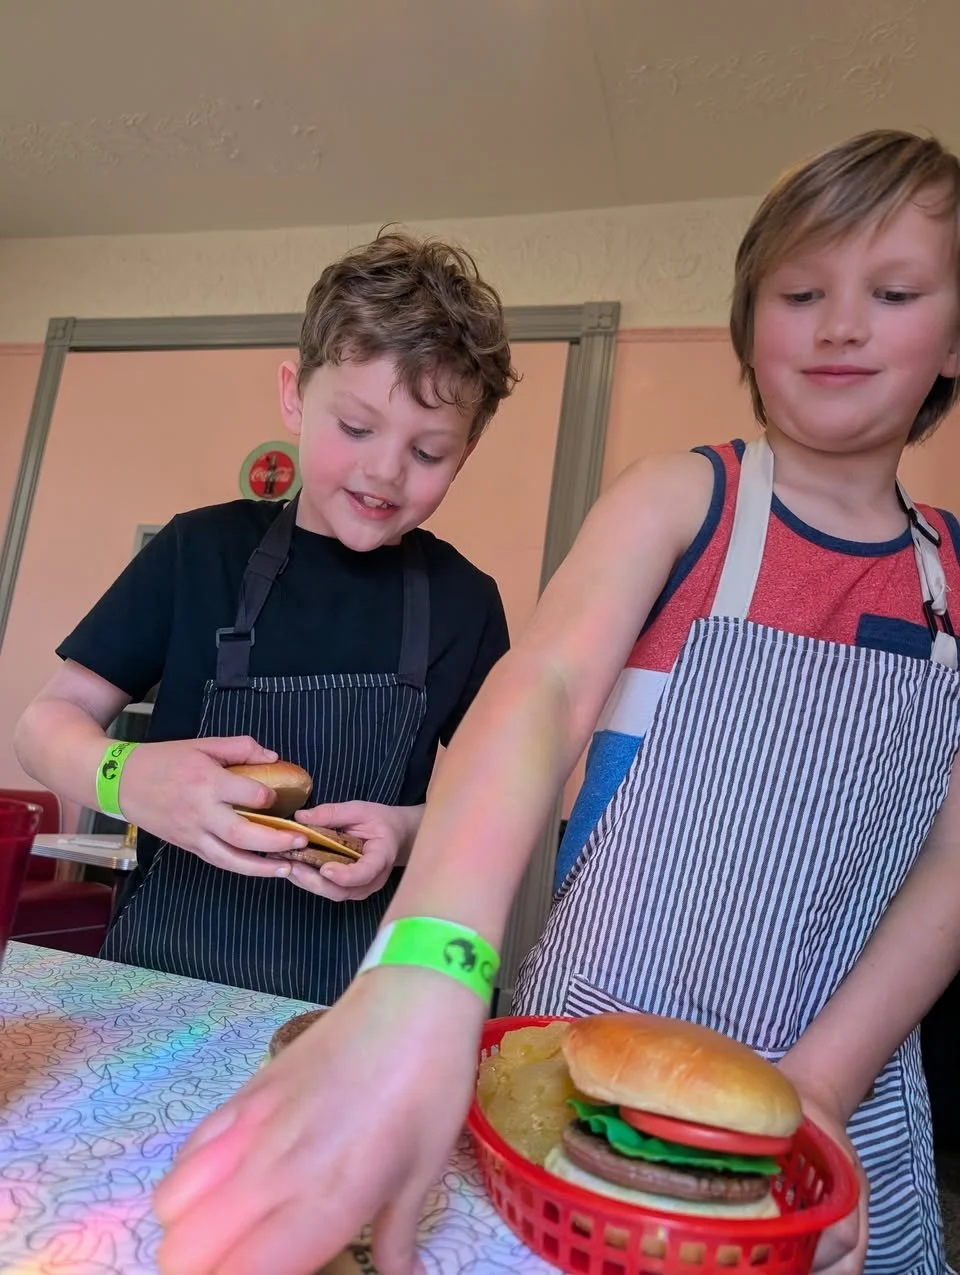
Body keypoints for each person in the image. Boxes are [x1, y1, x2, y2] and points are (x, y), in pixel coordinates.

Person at [153, 129, 960, 1275]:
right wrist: (427, 968)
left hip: (845, 1084)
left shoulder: (953, 580)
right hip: (581, 1051)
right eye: (800, 290)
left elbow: (952, 861)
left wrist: (821, 1084)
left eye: (893, 292)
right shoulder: (686, 500)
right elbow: (541, 694)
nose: (839, 324)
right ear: (747, 320)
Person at [14, 230, 515, 1006]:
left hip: (345, 1017)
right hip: (154, 985)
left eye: (430, 452)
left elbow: (500, 801)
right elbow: (45, 724)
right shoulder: (198, 552)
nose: (384, 470)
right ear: (294, 394)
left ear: (471, 447)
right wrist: (128, 776)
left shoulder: (465, 601)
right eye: (355, 428)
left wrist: (409, 832)